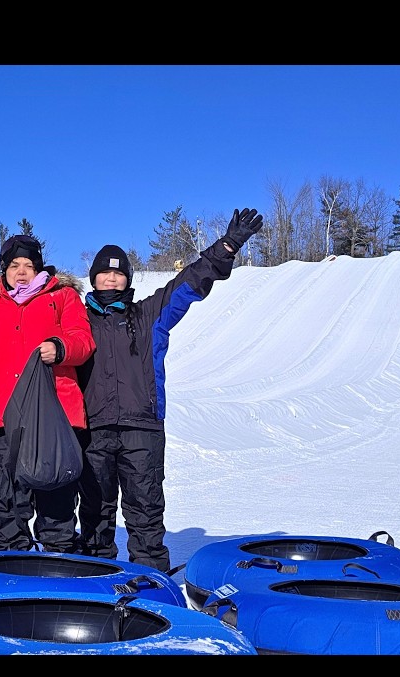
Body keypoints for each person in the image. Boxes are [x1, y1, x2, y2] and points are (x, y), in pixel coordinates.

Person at [77, 208, 264, 572]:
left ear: (127, 278)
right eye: (105, 273)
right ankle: (93, 578)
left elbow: (190, 282)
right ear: (94, 279)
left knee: (145, 508)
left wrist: (227, 246)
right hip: (93, 428)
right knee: (95, 510)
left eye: (118, 273)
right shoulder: (77, 321)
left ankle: (150, 579)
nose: (112, 280)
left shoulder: (149, 315)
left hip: (142, 429)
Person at [0, 235, 96, 553]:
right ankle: (9, 560)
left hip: (54, 412)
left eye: (29, 265)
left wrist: (60, 348)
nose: (21, 272)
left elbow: (83, 341)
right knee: (7, 498)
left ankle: (58, 557)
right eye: (14, 265)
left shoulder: (62, 297)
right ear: (3, 269)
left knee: (55, 494)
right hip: (6, 413)